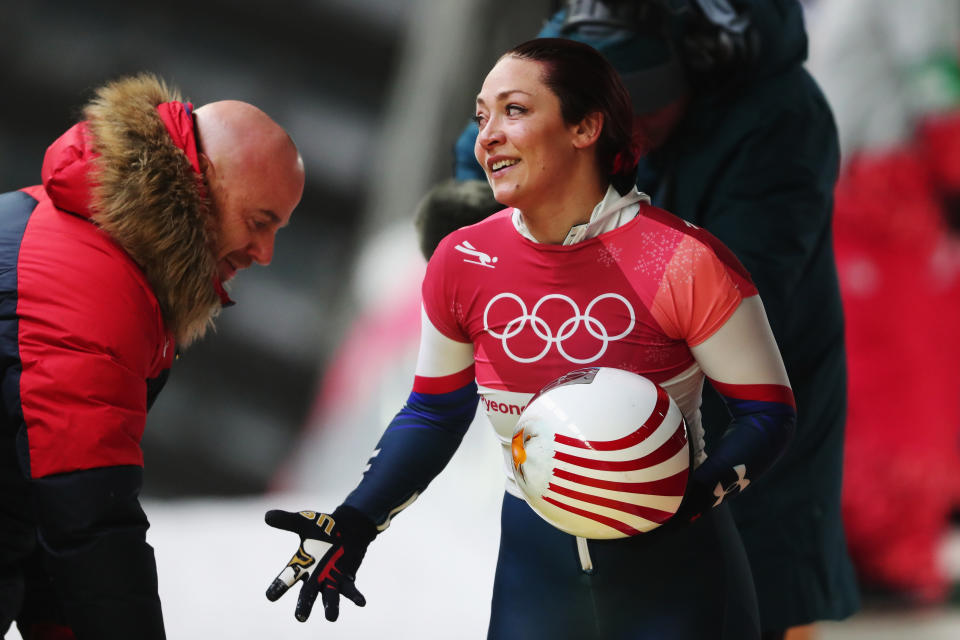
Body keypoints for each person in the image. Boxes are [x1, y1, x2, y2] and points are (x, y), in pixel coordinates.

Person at [265, 38, 795, 639]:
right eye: (480, 116)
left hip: (677, 578)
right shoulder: (461, 260)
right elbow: (434, 415)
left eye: (514, 110)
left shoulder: (684, 259)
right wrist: (357, 520)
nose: (486, 136)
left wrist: (696, 496)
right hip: (536, 574)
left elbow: (768, 414)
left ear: (586, 126)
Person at [448, 3, 858, 638]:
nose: (622, 140)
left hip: (751, 381)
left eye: (645, 116)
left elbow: (744, 289)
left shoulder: (782, 119)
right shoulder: (557, 57)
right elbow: (483, 158)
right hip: (594, 403)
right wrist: (482, 215)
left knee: (764, 584)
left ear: (691, 70)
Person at [0, 73, 305, 639]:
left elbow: (51, 520)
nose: (264, 253)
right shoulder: (93, 283)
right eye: (259, 222)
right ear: (203, 179)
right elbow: (88, 517)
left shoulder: (102, 251)